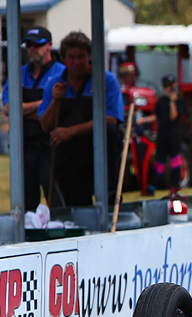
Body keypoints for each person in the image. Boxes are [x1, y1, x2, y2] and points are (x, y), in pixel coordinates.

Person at [39, 31, 124, 207]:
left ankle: (109, 196)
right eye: (72, 57)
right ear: (64, 59)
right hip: (69, 159)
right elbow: (46, 126)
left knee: (109, 132)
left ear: (89, 56)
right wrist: (55, 101)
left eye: (81, 56)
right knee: (76, 206)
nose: (77, 62)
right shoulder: (53, 84)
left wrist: (70, 132)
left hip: (100, 154)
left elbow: (111, 120)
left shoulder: (106, 81)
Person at [2, 26, 66, 211]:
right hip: (24, 146)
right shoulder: (18, 73)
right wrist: (44, 104)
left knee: (56, 198)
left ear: (49, 45)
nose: (32, 49)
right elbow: (9, 109)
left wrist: (23, 109)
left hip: (50, 146)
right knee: (26, 201)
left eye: (37, 45)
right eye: (28, 45)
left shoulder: (61, 72)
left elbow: (60, 110)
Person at [139, 75, 185, 196]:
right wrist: (144, 120)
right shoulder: (161, 100)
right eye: (166, 86)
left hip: (174, 136)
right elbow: (156, 116)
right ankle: (152, 187)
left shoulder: (179, 101)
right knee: (159, 162)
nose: (169, 88)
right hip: (162, 136)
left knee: (175, 161)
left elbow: (174, 116)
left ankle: (174, 187)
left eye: (170, 86)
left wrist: (172, 101)